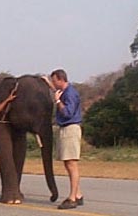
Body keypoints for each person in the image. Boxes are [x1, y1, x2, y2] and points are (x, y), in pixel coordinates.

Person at [45, 69, 84, 209]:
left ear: (61, 79)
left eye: (54, 81)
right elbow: (56, 90)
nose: (53, 84)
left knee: (72, 164)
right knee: (67, 163)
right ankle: (78, 194)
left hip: (70, 128)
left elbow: (68, 113)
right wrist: (48, 83)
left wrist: (57, 101)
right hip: (65, 130)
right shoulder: (64, 91)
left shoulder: (70, 94)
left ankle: (72, 198)